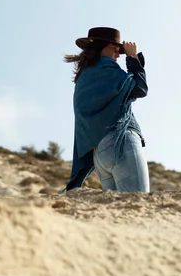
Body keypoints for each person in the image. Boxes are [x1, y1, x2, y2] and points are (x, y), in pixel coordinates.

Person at [63, 26, 149, 192]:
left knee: (119, 210)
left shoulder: (85, 77)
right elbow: (139, 88)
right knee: (138, 202)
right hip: (121, 143)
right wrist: (132, 57)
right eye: (115, 49)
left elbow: (127, 90)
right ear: (101, 48)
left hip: (100, 154)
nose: (118, 55)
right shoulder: (108, 69)